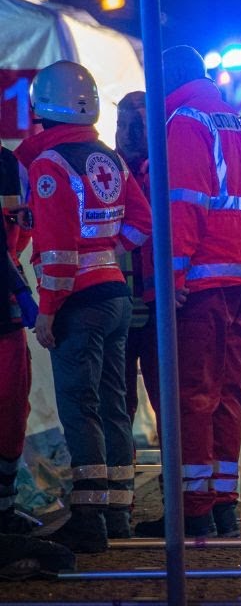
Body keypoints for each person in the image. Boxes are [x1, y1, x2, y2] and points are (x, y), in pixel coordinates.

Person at [14, 61, 151, 552]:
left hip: (78, 302)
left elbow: (56, 251)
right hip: (116, 295)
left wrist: (47, 311)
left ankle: (88, 518)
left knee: (80, 406)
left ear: (41, 109)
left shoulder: (51, 166)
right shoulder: (109, 160)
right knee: (114, 405)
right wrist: (111, 253)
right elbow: (142, 222)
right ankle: (118, 512)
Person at [134, 46, 241, 539]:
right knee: (228, 393)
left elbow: (184, 205)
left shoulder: (185, 121)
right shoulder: (237, 121)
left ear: (168, 79)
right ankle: (222, 506)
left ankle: (192, 511)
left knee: (191, 394)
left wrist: (170, 278)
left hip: (203, 276)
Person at [0, 145, 38, 535]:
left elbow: (22, 228)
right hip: (9, 295)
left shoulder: (10, 164)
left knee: (12, 408)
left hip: (6, 304)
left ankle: (5, 510)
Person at [114, 91, 156, 427]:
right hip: (117, 304)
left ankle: (171, 479)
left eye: (138, 125)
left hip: (160, 306)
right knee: (117, 399)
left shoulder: (165, 172)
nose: (128, 134)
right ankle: (121, 475)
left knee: (166, 398)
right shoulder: (105, 169)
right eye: (122, 124)